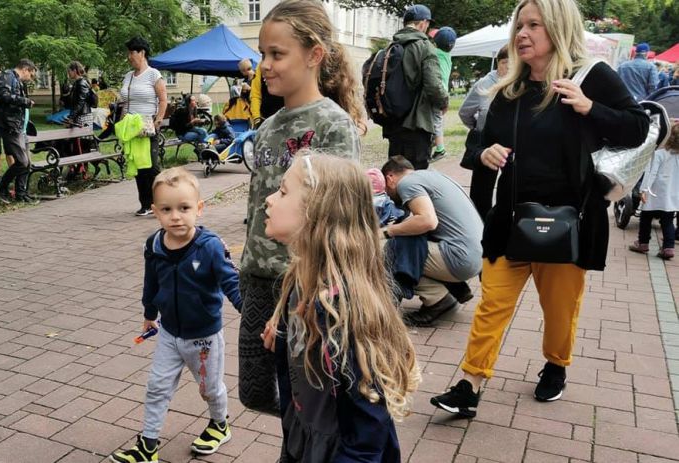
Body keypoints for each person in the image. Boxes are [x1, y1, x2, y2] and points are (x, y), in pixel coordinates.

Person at [429, 0, 649, 418]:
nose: (522, 34)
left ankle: (555, 364)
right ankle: (469, 383)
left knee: (560, 308)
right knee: (492, 302)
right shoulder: (510, 88)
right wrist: (484, 153)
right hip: (511, 219)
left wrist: (590, 108)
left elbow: (638, 126)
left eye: (534, 25)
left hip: (569, 221)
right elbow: (476, 146)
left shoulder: (592, 77)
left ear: (558, 28)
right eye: (519, 26)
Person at [239, 0, 364, 415]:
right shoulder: (267, 128)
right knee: (256, 392)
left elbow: (339, 219)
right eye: (262, 54)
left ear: (314, 56)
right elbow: (259, 203)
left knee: (308, 401)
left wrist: (309, 297)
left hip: (304, 286)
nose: (265, 65)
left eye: (277, 54)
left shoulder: (333, 126)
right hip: (258, 278)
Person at [260, 153, 419, 462]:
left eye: (282, 191)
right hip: (303, 438)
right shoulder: (299, 278)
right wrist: (282, 329)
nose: (269, 200)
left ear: (318, 211)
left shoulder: (338, 309)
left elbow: (367, 433)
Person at [109, 167, 242, 463]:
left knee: (209, 389)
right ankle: (148, 445)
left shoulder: (209, 247)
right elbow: (151, 281)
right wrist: (149, 312)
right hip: (169, 334)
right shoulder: (154, 245)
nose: (176, 216)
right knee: (157, 387)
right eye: (167, 209)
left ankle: (220, 424)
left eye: (184, 208)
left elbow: (231, 283)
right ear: (155, 212)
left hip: (204, 338)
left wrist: (250, 312)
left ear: (199, 208)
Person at [382, 156, 483, 325]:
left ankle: (434, 301)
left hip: (460, 258)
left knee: (394, 249)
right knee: (409, 239)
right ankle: (451, 291)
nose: (389, 197)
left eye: (386, 191)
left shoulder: (406, 184)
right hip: (475, 256)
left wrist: (386, 231)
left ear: (390, 178)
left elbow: (428, 221)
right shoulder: (432, 176)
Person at [383, 4, 448, 171]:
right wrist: (443, 102)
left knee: (395, 173)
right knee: (416, 176)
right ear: (423, 23)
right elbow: (434, 86)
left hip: (394, 121)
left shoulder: (391, 46)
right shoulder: (425, 47)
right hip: (417, 123)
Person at [459, 46, 509, 219]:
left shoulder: (520, 82)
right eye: (504, 63)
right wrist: (478, 128)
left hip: (510, 143)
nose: (508, 67)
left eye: (513, 63)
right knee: (481, 190)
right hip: (486, 142)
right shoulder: (485, 84)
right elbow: (465, 112)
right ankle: (479, 222)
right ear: (497, 63)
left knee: (509, 185)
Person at [121, 36, 168, 217]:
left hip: (148, 125)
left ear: (142, 53)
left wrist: (158, 121)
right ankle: (146, 204)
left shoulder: (153, 74)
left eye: (132, 52)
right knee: (138, 166)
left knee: (152, 167)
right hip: (132, 127)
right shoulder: (128, 76)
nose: (129, 56)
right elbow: (125, 101)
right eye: (129, 52)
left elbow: (163, 100)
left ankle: (163, 202)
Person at [629, 121, 679, 260]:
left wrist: (643, 189)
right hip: (671, 195)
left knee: (646, 218)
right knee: (667, 221)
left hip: (654, 192)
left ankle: (643, 243)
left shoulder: (659, 154)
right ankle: (668, 248)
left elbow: (651, 173)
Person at [0, 59, 38, 204]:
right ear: (25, 69)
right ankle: (2, 186)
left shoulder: (18, 81)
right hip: (10, 126)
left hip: (21, 127)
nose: (30, 78)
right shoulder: (7, 76)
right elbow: (3, 96)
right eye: (31, 75)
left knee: (27, 163)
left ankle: (21, 193)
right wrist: (24, 101)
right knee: (22, 161)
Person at [429, 26, 457, 162]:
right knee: (437, 119)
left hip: (438, 93)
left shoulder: (434, 53)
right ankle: (434, 139)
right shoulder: (447, 55)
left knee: (436, 121)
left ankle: (440, 149)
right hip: (444, 92)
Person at [250, 61, 284, 128]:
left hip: (289, 117)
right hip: (265, 119)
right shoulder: (261, 66)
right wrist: (257, 118)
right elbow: (255, 95)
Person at [66, 61, 94, 128]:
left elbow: (80, 102)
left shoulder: (81, 83)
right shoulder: (77, 83)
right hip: (79, 115)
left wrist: (71, 117)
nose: (68, 73)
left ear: (75, 71)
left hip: (83, 117)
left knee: (82, 138)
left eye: (69, 71)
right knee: (74, 138)